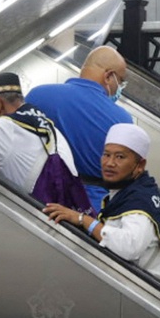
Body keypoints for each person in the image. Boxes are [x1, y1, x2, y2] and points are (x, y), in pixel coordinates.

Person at [42, 124, 160, 285]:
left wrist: (83, 220)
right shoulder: (127, 191)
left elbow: (129, 247)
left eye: (120, 157)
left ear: (140, 165)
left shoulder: (140, 202)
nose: (109, 163)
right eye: (106, 155)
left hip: (146, 290)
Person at [25, 45, 132, 211]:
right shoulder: (122, 120)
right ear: (109, 76)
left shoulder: (38, 96)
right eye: (121, 81)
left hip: (42, 198)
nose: (120, 88)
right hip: (92, 207)